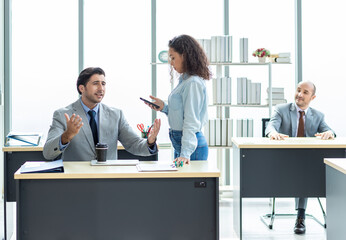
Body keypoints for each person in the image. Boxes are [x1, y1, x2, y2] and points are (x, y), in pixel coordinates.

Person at [43, 67, 161, 161]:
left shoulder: (116, 115)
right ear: (82, 88)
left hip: (107, 180)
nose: (101, 89)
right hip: (76, 181)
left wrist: (150, 142)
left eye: (103, 84)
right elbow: (48, 153)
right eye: (95, 83)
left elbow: (134, 144)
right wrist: (66, 136)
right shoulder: (63, 115)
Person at [265, 81, 335, 234]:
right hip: (283, 160)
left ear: (313, 97)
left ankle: (300, 215)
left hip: (305, 163)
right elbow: (271, 126)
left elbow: (329, 130)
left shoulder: (318, 115)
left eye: (305, 92)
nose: (300, 95)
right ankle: (301, 215)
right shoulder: (281, 109)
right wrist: (272, 133)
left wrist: (330, 133)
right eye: (298, 90)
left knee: (305, 172)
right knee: (303, 172)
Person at [144, 34, 211, 166]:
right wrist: (164, 107)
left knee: (187, 186)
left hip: (190, 147)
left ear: (185, 56)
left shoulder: (192, 83)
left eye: (173, 57)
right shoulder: (184, 80)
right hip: (182, 143)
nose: (171, 62)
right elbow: (181, 113)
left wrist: (185, 154)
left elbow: (191, 120)